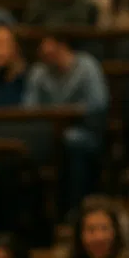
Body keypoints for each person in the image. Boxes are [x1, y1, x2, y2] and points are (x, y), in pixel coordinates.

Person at [23, 34, 110, 206]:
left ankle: (75, 207)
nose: (44, 54)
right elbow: (28, 109)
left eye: (48, 49)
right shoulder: (39, 72)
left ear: (62, 46)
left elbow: (99, 104)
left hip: (85, 130)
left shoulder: (86, 66)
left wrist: (69, 113)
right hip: (47, 135)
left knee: (72, 141)